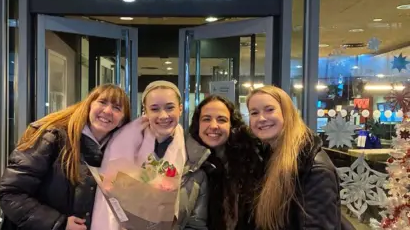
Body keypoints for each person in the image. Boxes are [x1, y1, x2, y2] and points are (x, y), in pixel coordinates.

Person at [0, 84, 131, 230]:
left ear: (122, 120)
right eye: (102, 102)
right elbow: (10, 192)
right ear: (89, 105)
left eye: (117, 108)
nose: (107, 111)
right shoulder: (52, 137)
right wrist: (58, 223)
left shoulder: (117, 155)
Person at [91, 80, 209, 230]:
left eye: (170, 107)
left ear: (180, 109)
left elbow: (196, 224)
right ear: (145, 112)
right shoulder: (122, 144)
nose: (163, 115)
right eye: (154, 109)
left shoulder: (194, 158)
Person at [246, 85, 342, 230]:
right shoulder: (267, 156)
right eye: (254, 112)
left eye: (269, 110)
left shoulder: (314, 168)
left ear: (287, 112)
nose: (261, 118)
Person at [188, 94, 263, 230]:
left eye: (221, 120)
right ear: (197, 124)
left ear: (232, 125)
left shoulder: (252, 161)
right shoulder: (189, 165)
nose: (214, 126)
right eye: (206, 119)